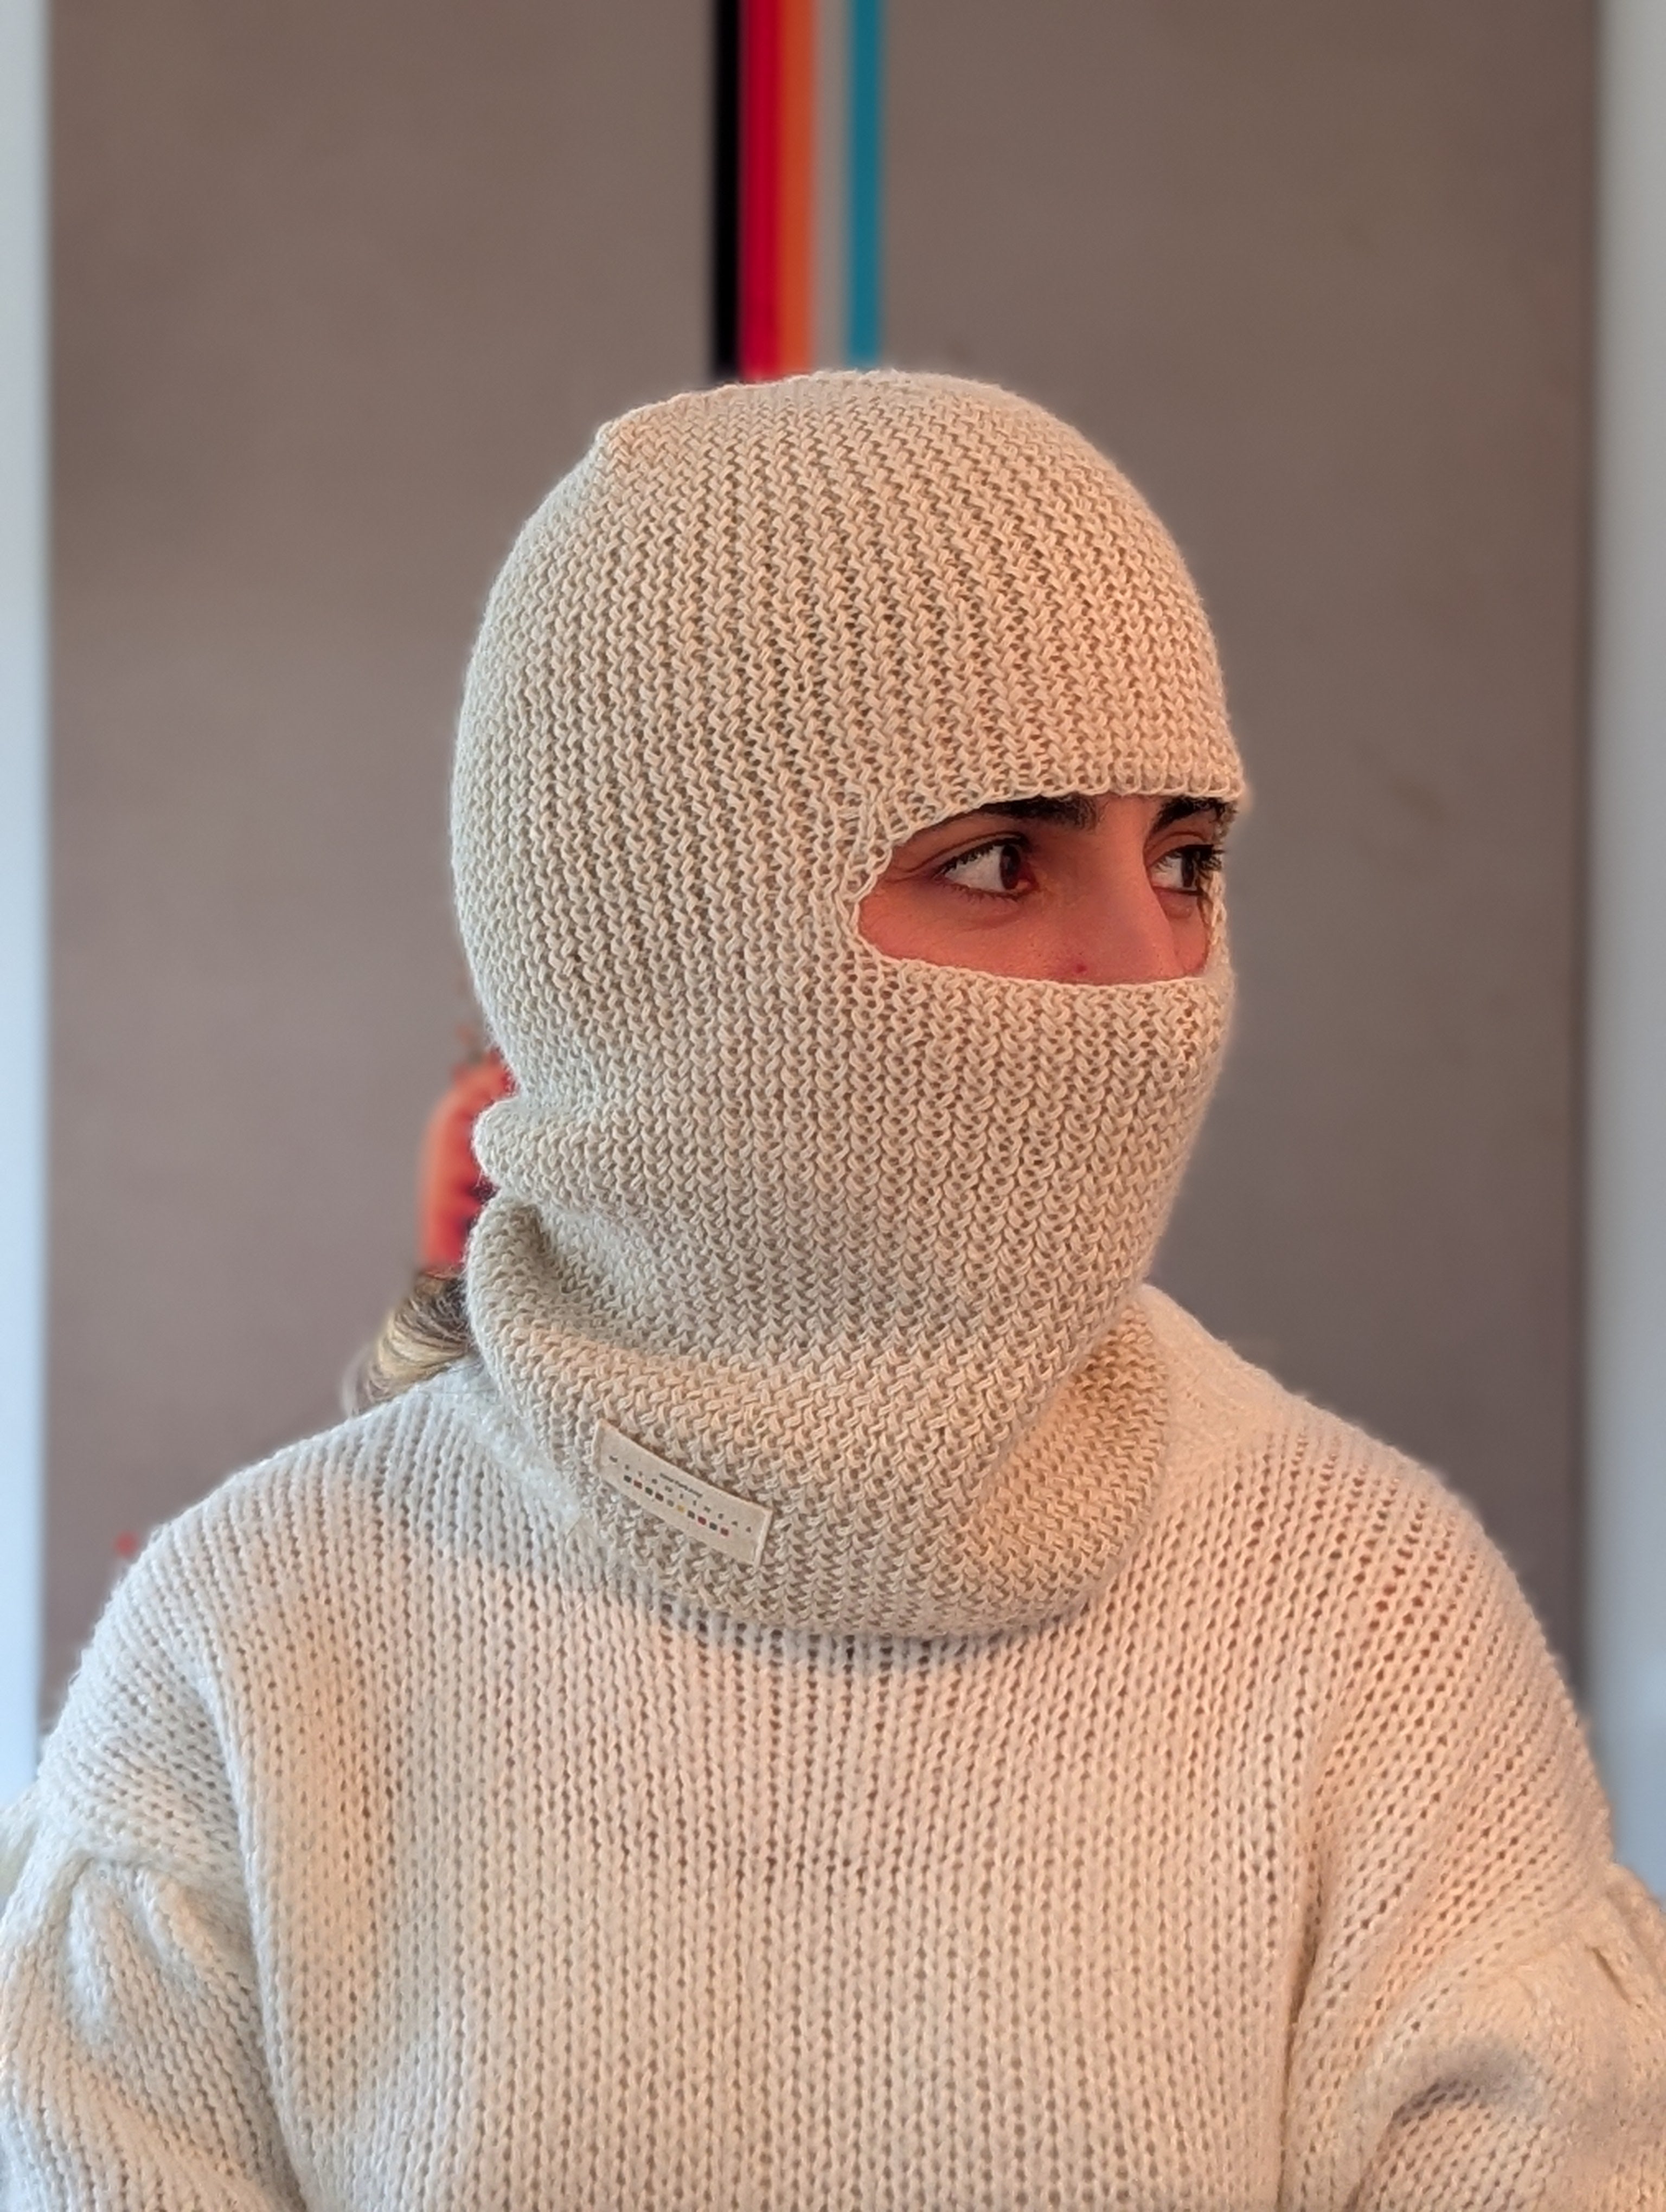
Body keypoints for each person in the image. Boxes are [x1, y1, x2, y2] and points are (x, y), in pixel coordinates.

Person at [2, 372, 1663, 2208]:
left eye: (1185, 860)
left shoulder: (1377, 1629)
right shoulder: (251, 1662)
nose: (1147, 969)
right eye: (997, 859)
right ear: (658, 923)